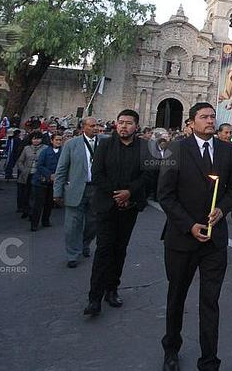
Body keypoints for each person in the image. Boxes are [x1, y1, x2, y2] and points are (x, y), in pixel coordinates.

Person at [158, 102, 232, 370]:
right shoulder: (176, 149)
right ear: (191, 122)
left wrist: (222, 209)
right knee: (177, 296)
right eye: (204, 117)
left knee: (210, 301)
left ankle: (209, 360)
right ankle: (171, 347)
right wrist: (189, 225)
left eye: (213, 117)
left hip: (215, 241)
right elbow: (166, 195)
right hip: (182, 240)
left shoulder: (229, 150)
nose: (209, 121)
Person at [85, 110, 150, 316]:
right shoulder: (105, 145)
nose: (123, 126)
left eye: (128, 123)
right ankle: (94, 297)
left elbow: (148, 175)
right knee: (104, 249)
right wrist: (117, 195)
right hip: (107, 205)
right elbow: (97, 174)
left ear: (136, 126)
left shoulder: (144, 148)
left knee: (120, 249)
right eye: (120, 122)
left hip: (129, 207)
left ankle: (112, 289)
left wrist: (129, 193)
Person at [54, 117, 101, 268]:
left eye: (97, 126)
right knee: (72, 224)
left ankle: (85, 243)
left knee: (93, 223)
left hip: (96, 189)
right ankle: (72, 254)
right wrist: (57, 191)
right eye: (92, 126)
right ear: (83, 128)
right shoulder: (71, 144)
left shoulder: (104, 143)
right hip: (75, 189)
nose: (96, 128)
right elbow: (61, 169)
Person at [30, 133, 62, 231]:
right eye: (56, 140)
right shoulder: (45, 151)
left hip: (54, 182)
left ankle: (45, 221)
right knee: (38, 204)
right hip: (41, 181)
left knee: (49, 203)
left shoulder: (63, 152)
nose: (58, 142)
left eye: (60, 140)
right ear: (52, 141)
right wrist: (50, 175)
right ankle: (34, 223)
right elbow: (40, 165)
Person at [14, 132, 42, 218]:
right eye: (34, 139)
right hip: (27, 174)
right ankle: (25, 209)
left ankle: (32, 212)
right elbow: (20, 161)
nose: (36, 141)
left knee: (35, 194)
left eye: (38, 138)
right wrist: (23, 170)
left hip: (37, 174)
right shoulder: (26, 148)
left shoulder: (45, 148)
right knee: (26, 193)